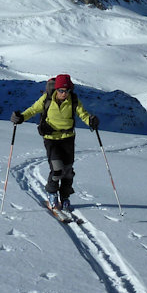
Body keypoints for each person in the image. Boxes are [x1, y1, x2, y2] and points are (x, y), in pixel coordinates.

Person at [11, 74, 99, 213]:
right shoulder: (46, 98)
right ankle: (52, 195)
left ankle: (64, 197)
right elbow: (33, 109)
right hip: (51, 138)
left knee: (68, 171)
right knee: (57, 169)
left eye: (66, 91)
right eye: (61, 90)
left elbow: (83, 114)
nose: (64, 93)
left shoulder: (74, 100)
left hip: (68, 138)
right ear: (56, 89)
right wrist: (20, 117)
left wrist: (91, 121)